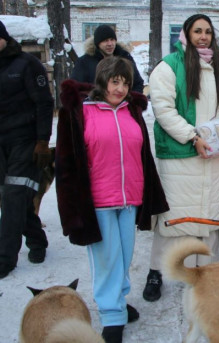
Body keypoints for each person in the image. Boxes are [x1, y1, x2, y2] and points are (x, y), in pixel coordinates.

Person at [55, 56, 169, 342]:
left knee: (124, 258)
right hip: (98, 201)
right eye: (114, 81)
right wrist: (72, 209)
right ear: (102, 80)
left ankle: (117, 301)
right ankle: (111, 316)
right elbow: (66, 163)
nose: (120, 88)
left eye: (125, 82)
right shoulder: (82, 111)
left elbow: (143, 156)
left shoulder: (132, 111)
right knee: (106, 261)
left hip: (129, 198)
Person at [143, 13, 219, 302]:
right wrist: (192, 137)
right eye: (197, 31)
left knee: (208, 215)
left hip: (211, 156)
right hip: (180, 155)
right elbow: (163, 109)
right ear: (186, 34)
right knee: (173, 218)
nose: (203, 36)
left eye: (208, 31)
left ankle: (205, 274)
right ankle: (156, 271)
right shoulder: (169, 66)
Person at [0, 20, 53, 279]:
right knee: (13, 198)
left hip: (25, 141)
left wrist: (43, 140)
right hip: (0, 145)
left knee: (13, 196)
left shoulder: (26, 64)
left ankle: (4, 258)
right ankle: (37, 240)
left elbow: (44, 103)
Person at [71, 24, 144, 93]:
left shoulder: (125, 58)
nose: (110, 44)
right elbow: (76, 87)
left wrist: (131, 102)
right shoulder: (84, 62)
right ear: (98, 43)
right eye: (105, 41)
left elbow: (137, 83)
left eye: (112, 40)